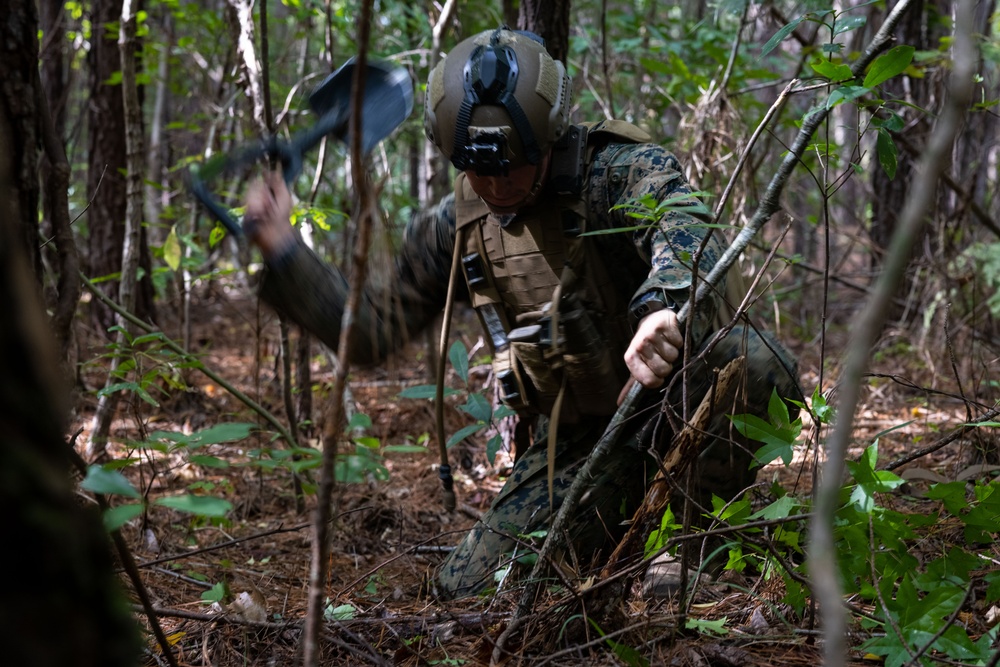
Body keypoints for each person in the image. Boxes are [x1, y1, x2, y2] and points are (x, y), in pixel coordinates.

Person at [243, 26, 801, 599]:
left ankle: (690, 548)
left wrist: (665, 306)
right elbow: (369, 332)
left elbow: (686, 223)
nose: (495, 184)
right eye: (477, 169)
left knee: (755, 364)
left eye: (511, 165)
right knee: (474, 588)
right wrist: (284, 250)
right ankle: (620, 513)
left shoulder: (617, 171)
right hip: (583, 436)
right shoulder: (456, 227)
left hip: (680, 405)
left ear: (549, 138)